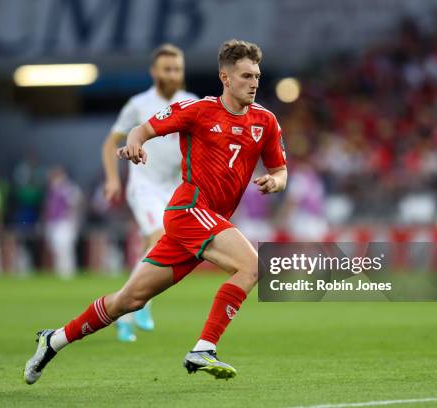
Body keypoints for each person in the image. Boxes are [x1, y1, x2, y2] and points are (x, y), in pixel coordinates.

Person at [24, 39, 287, 384]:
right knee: (252, 266)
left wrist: (275, 182)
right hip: (190, 209)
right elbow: (142, 129)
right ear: (225, 77)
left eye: (257, 75)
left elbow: (280, 170)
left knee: (128, 300)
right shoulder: (198, 110)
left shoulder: (265, 121)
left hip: (207, 222)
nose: (254, 82)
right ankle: (204, 347)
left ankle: (54, 340)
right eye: (245, 76)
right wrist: (134, 144)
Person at [102, 44, 197, 342]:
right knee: (158, 240)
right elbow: (110, 142)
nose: (173, 74)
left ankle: (125, 312)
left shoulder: (192, 102)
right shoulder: (138, 104)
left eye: (178, 69)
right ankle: (139, 303)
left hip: (174, 187)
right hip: (143, 184)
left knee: (160, 249)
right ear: (154, 72)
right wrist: (112, 179)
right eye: (167, 69)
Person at [43, 167, 82, 278]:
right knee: (57, 249)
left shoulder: (68, 188)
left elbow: (76, 203)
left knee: (65, 248)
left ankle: (68, 272)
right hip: (54, 223)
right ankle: (60, 271)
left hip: (64, 222)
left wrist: (72, 219)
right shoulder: (52, 190)